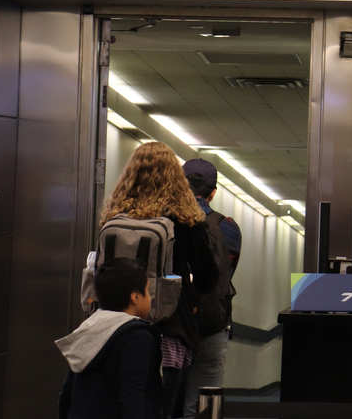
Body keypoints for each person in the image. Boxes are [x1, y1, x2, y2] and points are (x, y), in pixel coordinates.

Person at [98, 142, 218, 419]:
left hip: (112, 327)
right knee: (162, 406)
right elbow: (207, 277)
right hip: (168, 327)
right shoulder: (187, 219)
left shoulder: (114, 216)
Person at [56, 258, 162, 419]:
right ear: (135, 297)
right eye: (147, 291)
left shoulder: (89, 328)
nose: (150, 298)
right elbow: (132, 396)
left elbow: (67, 393)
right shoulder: (137, 336)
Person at [181, 158, 242, 417]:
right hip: (212, 323)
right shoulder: (227, 227)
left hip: (172, 324)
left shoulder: (166, 221)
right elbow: (223, 275)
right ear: (213, 192)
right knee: (203, 405)